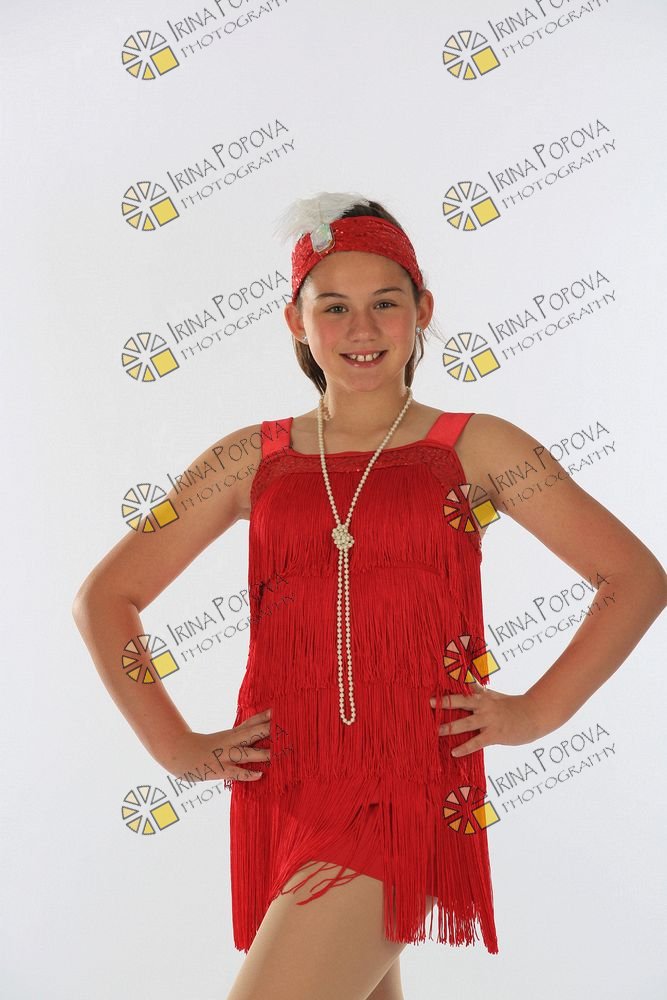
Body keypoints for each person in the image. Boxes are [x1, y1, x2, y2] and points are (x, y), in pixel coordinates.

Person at [72, 192, 667, 1000]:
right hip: (287, 784)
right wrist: (174, 746)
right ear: (296, 321)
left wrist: (535, 711)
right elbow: (107, 597)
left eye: (385, 303)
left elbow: (631, 577)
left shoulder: (476, 446)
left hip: (407, 782)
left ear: (422, 310)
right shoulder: (248, 459)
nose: (361, 328)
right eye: (334, 307)